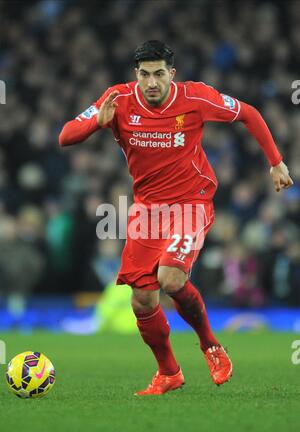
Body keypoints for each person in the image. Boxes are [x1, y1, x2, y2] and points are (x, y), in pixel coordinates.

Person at [59, 40, 293, 395]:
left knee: (170, 278)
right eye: (144, 75)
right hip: (148, 209)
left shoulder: (196, 98)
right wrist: (95, 124)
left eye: (158, 74)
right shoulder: (118, 100)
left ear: (172, 74)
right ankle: (169, 372)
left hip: (191, 202)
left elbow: (249, 113)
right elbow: (64, 136)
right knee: (141, 299)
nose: (151, 82)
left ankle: (211, 345)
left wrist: (275, 162)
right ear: (135, 75)